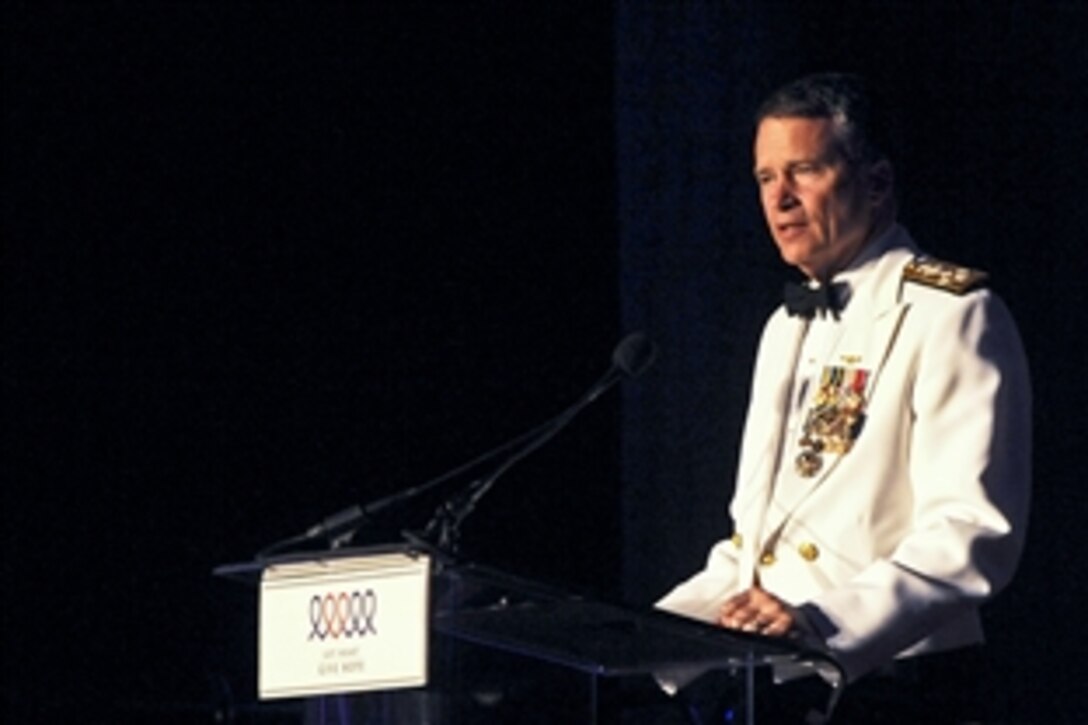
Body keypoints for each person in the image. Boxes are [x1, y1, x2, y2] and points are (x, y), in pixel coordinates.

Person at [656, 73, 1032, 723]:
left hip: (899, 683)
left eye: (803, 170)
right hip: (779, 681)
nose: (781, 199)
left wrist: (822, 621)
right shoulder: (784, 327)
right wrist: (646, 636)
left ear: (876, 183)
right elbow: (755, 542)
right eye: (765, 178)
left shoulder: (954, 313)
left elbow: (971, 532)